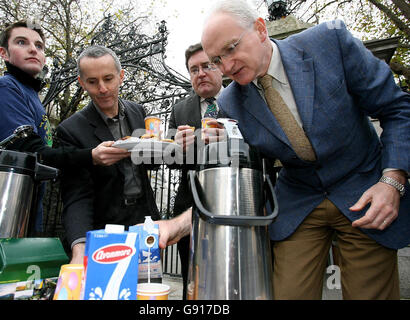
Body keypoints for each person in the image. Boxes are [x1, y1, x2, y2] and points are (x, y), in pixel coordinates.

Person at [197, 0, 409, 299]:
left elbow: (397, 108)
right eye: (217, 60)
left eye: (231, 49)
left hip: (364, 191)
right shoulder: (230, 103)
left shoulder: (329, 43)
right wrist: (219, 144)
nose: (227, 66)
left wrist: (392, 181)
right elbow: (243, 163)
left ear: (260, 29)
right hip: (299, 201)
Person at [0, 20, 116, 230]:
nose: (33, 49)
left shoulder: (28, 94)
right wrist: (91, 156)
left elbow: (45, 154)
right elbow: (30, 152)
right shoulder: (0, 92)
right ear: (4, 53)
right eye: (22, 42)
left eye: (39, 46)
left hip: (21, 204)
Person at [56, 45, 160, 264]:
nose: (102, 88)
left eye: (108, 79)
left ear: (121, 77)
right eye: (92, 82)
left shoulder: (137, 111)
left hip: (145, 221)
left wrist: (159, 151)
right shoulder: (71, 130)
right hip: (104, 229)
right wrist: (79, 245)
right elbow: (76, 194)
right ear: (82, 83)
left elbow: (149, 165)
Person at [167, 42, 223, 299]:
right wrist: (176, 149)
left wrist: (230, 140)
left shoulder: (243, 98)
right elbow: (170, 161)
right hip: (189, 201)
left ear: (220, 67)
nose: (200, 73)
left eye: (207, 66)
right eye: (193, 69)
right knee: (193, 278)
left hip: (232, 200)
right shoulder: (180, 110)